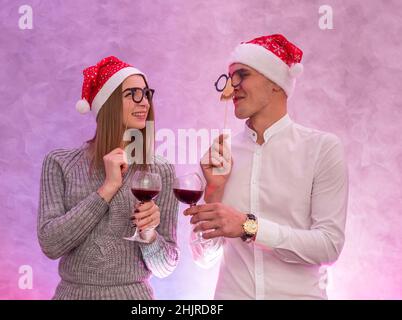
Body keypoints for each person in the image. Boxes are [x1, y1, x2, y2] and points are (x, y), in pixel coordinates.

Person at [184, 34, 348, 299]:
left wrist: (250, 227)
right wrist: (213, 192)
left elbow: (328, 246)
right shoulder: (221, 155)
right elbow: (203, 258)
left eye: (242, 74)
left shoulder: (322, 149)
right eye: (229, 77)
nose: (232, 86)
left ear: (275, 83)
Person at [38, 56, 179, 300]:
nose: (143, 101)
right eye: (132, 94)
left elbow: (165, 267)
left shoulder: (160, 170)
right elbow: (51, 245)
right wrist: (108, 188)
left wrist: (149, 234)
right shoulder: (59, 163)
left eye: (146, 93)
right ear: (108, 104)